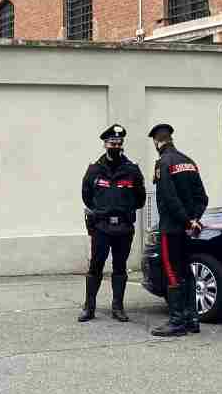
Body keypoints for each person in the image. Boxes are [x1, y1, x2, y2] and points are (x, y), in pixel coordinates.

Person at [78, 124, 147, 323]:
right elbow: (86, 196)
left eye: (118, 143)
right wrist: (102, 210)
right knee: (96, 266)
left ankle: (118, 307)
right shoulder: (94, 170)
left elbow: (140, 199)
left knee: (120, 267)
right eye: (111, 143)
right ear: (105, 144)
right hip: (101, 227)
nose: (115, 146)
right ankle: (89, 307)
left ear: (122, 145)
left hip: (123, 227)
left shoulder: (132, 170)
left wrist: (123, 208)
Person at [148, 123, 208, 337]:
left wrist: (184, 221)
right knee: (187, 272)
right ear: (171, 139)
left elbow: (168, 198)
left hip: (172, 229)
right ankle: (192, 319)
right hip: (189, 230)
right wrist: (194, 221)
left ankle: (177, 321)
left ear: (157, 142)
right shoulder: (188, 161)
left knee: (172, 272)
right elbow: (203, 198)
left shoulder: (163, 163)